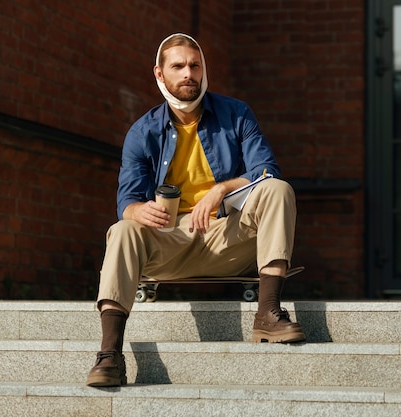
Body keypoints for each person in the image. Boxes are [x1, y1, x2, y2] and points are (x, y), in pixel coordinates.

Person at [85, 33, 305, 387]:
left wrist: (221, 189)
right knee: (122, 229)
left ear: (203, 70)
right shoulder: (142, 132)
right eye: (178, 66)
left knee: (278, 189)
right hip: (169, 244)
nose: (188, 73)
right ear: (160, 74)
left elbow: (267, 171)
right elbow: (126, 202)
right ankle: (110, 354)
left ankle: (268, 314)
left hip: (228, 238)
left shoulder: (236, 114)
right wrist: (138, 212)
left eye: (195, 65)